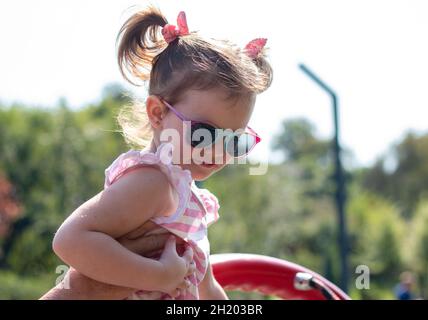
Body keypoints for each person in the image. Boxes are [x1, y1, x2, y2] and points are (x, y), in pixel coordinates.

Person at [50, 5, 273, 300]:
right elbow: (70, 241)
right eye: (204, 134)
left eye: (235, 141)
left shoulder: (186, 198)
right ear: (157, 113)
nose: (219, 152)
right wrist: (158, 276)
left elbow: (206, 288)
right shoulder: (152, 182)